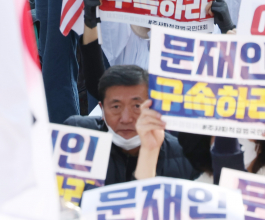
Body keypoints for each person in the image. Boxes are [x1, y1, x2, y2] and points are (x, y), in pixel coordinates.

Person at [64, 65, 198, 183]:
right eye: (116, 107)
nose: (126, 119)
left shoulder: (183, 156)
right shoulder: (77, 136)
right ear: (102, 110)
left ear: (153, 106)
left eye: (137, 106)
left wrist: (150, 151)